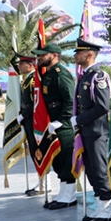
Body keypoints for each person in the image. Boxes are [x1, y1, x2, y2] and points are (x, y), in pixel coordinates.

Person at [71, 38, 111, 221]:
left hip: (97, 132)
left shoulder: (98, 76)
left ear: (89, 54)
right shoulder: (85, 76)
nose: (75, 55)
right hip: (87, 132)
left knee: (99, 171)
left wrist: (79, 119)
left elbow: (102, 106)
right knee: (91, 171)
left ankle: (108, 209)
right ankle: (100, 207)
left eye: (79, 52)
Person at [34, 43, 77, 209]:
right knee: (58, 162)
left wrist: (62, 119)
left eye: (42, 55)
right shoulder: (49, 74)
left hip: (63, 125)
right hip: (52, 125)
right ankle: (64, 194)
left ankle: (69, 196)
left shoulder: (61, 74)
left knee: (66, 161)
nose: (39, 58)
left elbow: (70, 99)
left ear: (54, 55)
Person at [15, 54, 40, 196]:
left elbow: (35, 103)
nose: (19, 67)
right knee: (33, 151)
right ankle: (41, 180)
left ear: (30, 65)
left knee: (38, 151)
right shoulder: (27, 80)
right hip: (29, 121)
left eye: (22, 64)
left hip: (34, 121)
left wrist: (24, 114)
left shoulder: (33, 80)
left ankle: (44, 182)